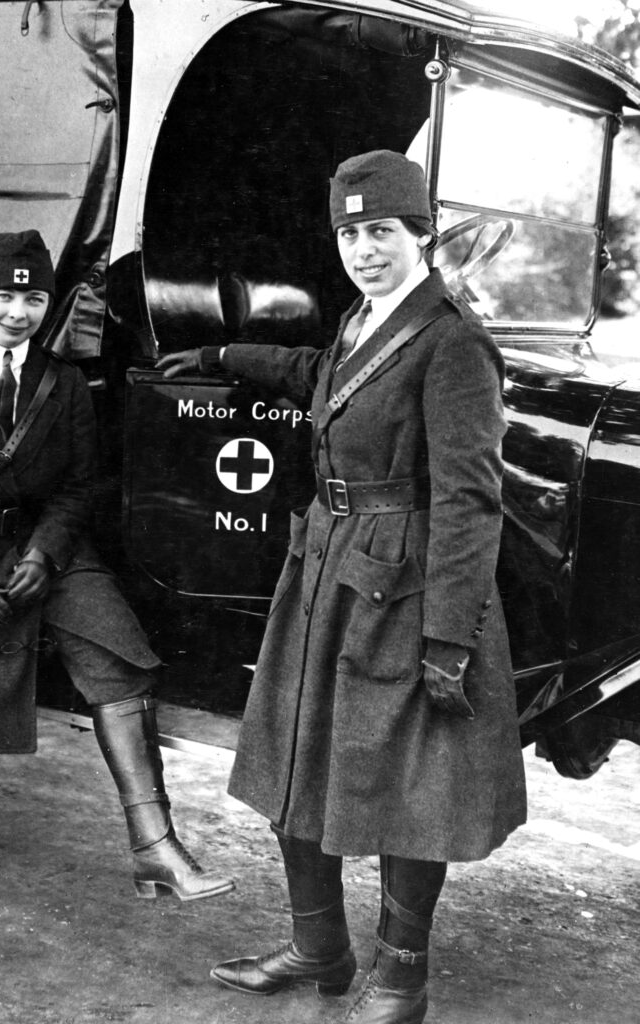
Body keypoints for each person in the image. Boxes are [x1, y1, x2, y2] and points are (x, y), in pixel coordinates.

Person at [156, 150, 527, 1024]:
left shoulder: (452, 340)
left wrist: (448, 640)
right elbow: (313, 377)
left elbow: (472, 501)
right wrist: (219, 352)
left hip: (403, 589)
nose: (364, 249)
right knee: (294, 754)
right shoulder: (364, 322)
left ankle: (402, 978)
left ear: (420, 235)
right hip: (327, 567)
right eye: (351, 234)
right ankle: (319, 947)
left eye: (382, 232)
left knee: (407, 785)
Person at [0, 230, 234, 1005]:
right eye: (2, 296)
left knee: (120, 654)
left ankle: (154, 845)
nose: (16, 312)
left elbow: (77, 486)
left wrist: (44, 553)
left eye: (32, 298)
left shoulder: (61, 383)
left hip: (38, 551)